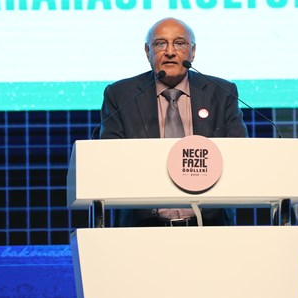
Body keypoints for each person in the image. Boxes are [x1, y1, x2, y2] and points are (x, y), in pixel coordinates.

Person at [99, 17, 248, 226]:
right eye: (160, 44)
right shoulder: (121, 95)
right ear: (147, 52)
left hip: (210, 227)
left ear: (193, 51)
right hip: (142, 230)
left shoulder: (221, 93)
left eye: (179, 43)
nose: (170, 52)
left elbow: (238, 154)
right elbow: (110, 160)